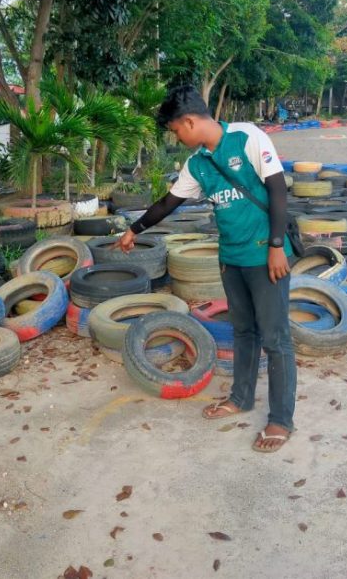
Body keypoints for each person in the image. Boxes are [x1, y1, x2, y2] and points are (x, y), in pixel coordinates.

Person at [114, 86, 297, 453]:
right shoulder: (198, 164)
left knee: (275, 338)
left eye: (176, 130)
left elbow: (278, 190)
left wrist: (277, 246)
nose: (176, 137)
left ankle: (281, 419)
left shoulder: (247, 137)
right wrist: (134, 229)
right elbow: (170, 202)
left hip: (266, 256)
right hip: (231, 258)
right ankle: (241, 398)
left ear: (190, 121)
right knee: (244, 331)